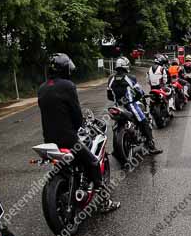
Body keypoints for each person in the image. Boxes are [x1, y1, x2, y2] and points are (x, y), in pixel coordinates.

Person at [38, 53, 120, 212]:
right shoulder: (68, 86)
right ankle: (104, 202)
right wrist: (79, 125)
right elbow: (75, 114)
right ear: (64, 69)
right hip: (68, 139)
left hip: (49, 141)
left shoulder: (42, 88)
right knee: (93, 163)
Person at [107, 57, 162, 155]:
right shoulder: (130, 77)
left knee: (117, 125)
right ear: (125, 66)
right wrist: (136, 98)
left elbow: (109, 96)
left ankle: (115, 150)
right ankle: (151, 146)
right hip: (130, 105)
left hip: (117, 106)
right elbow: (139, 92)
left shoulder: (111, 78)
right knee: (144, 121)